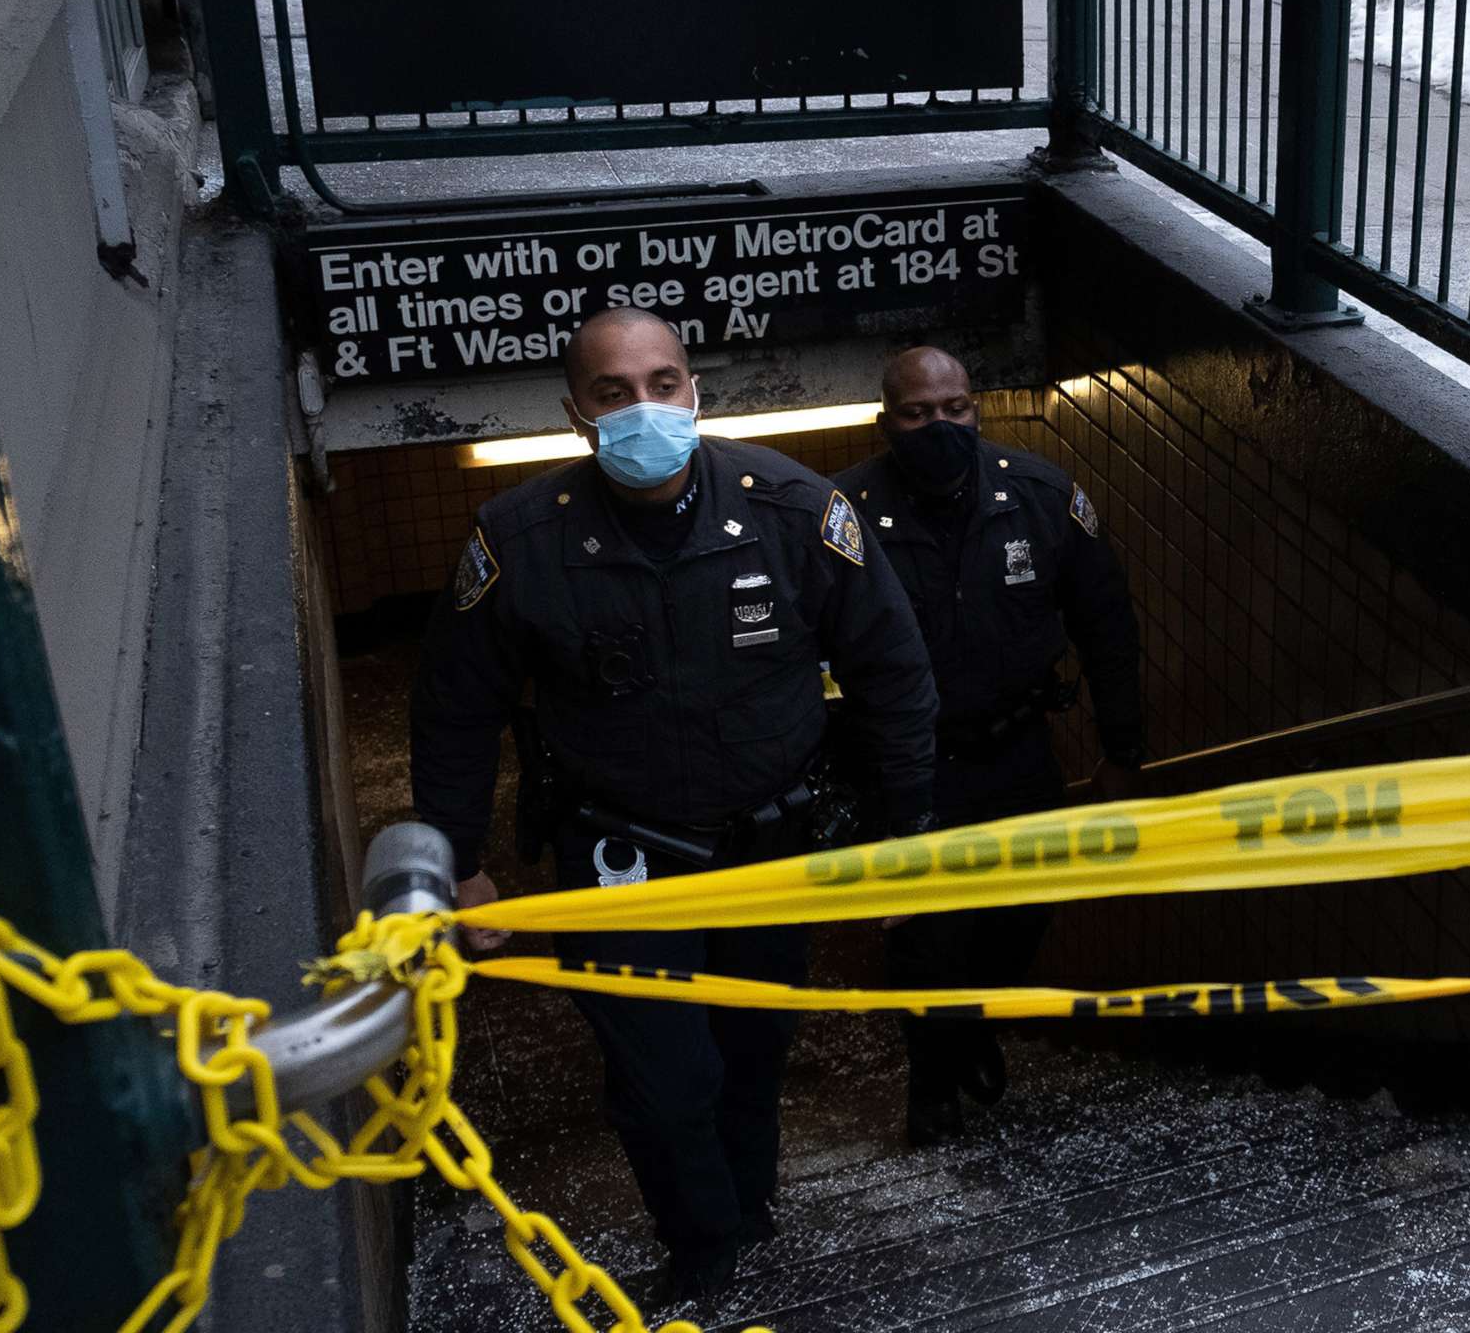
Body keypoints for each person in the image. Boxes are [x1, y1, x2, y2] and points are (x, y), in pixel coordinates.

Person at [409, 308, 939, 1306]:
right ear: (577, 413)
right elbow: (453, 709)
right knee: (663, 1081)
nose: (643, 408)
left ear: (696, 392)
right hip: (623, 861)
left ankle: (751, 1207)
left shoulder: (794, 510)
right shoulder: (521, 541)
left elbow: (893, 675)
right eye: (614, 394)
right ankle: (703, 1249)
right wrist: (460, 857)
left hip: (770, 852)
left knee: (750, 1049)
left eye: (663, 383)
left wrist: (905, 833)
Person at [835, 346, 1146, 1143]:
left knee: (1020, 920)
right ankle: (931, 1090)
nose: (940, 426)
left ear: (977, 409)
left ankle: (970, 1028)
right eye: (917, 413)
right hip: (910, 771)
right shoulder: (846, 514)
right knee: (925, 941)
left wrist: (1122, 753)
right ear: (885, 421)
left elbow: (1107, 626)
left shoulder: (1039, 494)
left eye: (956, 409)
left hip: (1016, 758)